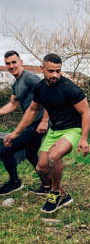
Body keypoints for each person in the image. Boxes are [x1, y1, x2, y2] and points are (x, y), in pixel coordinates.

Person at [4, 53, 90, 213]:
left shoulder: (69, 88)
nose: (55, 75)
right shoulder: (40, 88)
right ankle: (64, 196)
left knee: (53, 156)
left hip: (72, 129)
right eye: (51, 71)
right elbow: (32, 110)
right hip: (55, 130)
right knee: (41, 167)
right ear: (42, 69)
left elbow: (86, 112)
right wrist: (15, 133)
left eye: (58, 71)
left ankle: (55, 193)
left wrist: (84, 139)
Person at [0, 50, 49, 195]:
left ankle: (15, 182)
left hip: (38, 123)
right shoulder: (16, 84)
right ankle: (47, 186)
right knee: (31, 153)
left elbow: (46, 93)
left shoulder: (29, 77)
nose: (11, 66)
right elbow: (13, 104)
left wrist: (45, 120)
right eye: (8, 63)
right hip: (31, 123)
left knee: (5, 148)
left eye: (14, 62)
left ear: (20, 62)